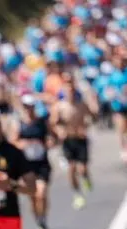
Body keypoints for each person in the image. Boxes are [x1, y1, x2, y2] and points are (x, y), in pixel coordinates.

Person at [10, 95, 54, 229]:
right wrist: (23, 145)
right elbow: (13, 142)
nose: (28, 109)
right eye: (26, 106)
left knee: (41, 193)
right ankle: (39, 222)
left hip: (41, 163)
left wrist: (48, 142)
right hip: (26, 164)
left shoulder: (42, 122)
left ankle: (44, 220)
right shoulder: (19, 123)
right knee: (33, 197)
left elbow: (52, 137)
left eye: (30, 106)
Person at [51, 74, 95, 208]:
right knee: (71, 168)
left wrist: (85, 126)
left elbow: (92, 117)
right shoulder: (59, 106)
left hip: (80, 139)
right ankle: (77, 194)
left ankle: (86, 178)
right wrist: (59, 131)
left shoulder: (81, 104)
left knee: (82, 168)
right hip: (68, 141)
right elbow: (53, 123)